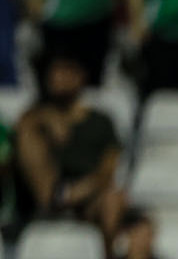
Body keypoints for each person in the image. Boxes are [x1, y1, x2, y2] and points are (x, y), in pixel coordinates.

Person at [15, 53, 124, 240]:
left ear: (80, 77)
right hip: (49, 192)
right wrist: (45, 117)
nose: (58, 79)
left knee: (114, 198)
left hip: (89, 193)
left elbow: (109, 165)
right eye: (55, 73)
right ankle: (52, 206)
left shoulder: (100, 121)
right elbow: (20, 132)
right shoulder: (36, 117)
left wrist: (82, 190)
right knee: (27, 136)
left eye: (65, 73)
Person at [14, 0, 118, 87]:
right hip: (56, 21)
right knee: (56, 84)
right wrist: (36, 7)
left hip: (97, 17)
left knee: (92, 84)